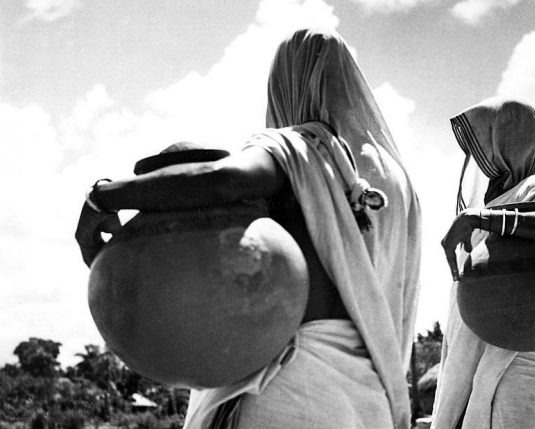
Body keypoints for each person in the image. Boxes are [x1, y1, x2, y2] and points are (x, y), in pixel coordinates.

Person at [75, 28, 422, 429]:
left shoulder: (301, 148)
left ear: (284, 85)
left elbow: (222, 178)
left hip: (291, 389)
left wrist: (102, 197)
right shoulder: (398, 182)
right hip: (364, 396)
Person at [431, 97, 535, 429]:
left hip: (520, 377)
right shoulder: (508, 195)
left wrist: (483, 219)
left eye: (488, 141)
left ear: (510, 143)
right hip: (502, 375)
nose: (481, 155)